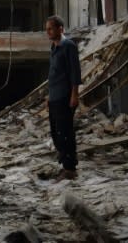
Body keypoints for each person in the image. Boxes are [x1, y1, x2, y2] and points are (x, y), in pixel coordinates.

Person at [45, 15, 81, 181]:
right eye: (46, 29)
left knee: (65, 132)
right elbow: (53, 74)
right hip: (54, 97)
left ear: (60, 28)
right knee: (55, 132)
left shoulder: (68, 46)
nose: (48, 32)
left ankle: (70, 168)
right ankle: (64, 161)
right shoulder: (54, 47)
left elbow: (75, 72)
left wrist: (74, 94)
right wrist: (49, 96)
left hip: (65, 96)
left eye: (50, 28)